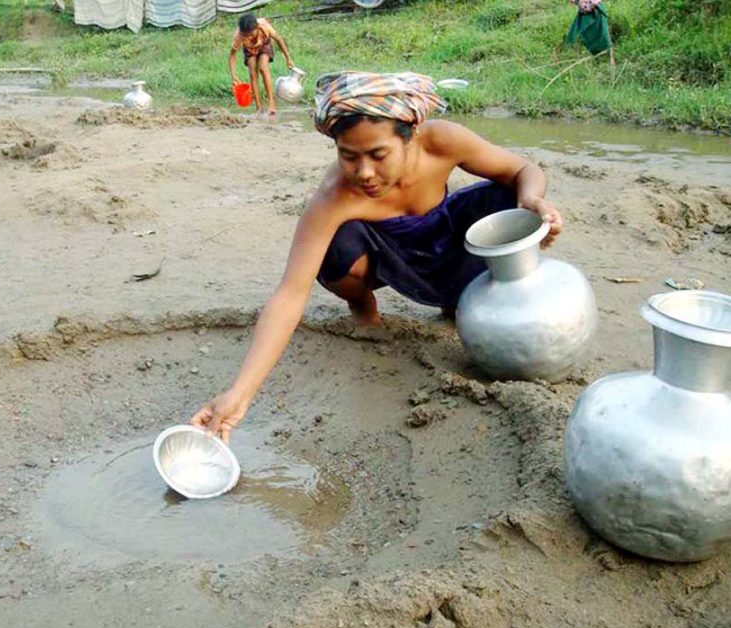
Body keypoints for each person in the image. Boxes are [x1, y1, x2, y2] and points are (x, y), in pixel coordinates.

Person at [192, 71, 563, 443]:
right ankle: (364, 310)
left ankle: (460, 301)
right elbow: (290, 294)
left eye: (378, 154)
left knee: (503, 195)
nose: (364, 172)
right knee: (336, 250)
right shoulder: (335, 196)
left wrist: (531, 200)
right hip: (390, 256)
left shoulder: (444, 140)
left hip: (449, 241)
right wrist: (239, 395)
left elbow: (523, 170)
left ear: (412, 134)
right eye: (348, 156)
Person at [229, 13, 296, 116]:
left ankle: (272, 105)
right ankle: (258, 107)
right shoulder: (240, 36)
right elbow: (232, 55)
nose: (247, 37)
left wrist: (288, 58)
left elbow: (279, 40)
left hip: (264, 42)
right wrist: (233, 76)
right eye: (245, 36)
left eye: (250, 35)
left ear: (257, 28)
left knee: (263, 68)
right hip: (249, 48)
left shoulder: (265, 27)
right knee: (252, 73)